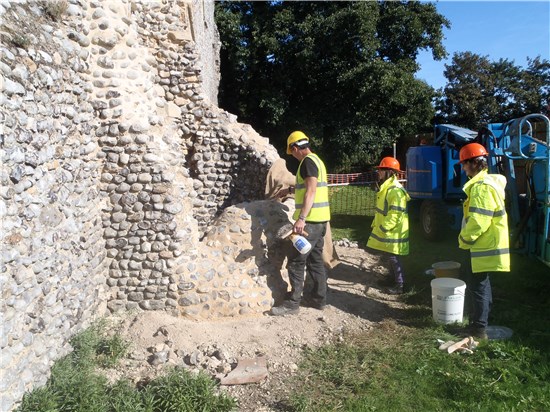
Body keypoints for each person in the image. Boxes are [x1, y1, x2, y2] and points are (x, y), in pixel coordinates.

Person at [271, 131, 331, 316]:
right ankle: (318, 299)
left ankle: (292, 304)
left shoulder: (307, 162)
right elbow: (306, 185)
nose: (294, 156)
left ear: (295, 148)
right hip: (320, 221)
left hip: (310, 223)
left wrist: (301, 219)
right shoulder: (317, 160)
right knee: (315, 262)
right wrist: (289, 189)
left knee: (296, 262)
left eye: (293, 152)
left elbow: (311, 191)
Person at [458, 143, 510, 339]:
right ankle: (480, 323)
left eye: (464, 164)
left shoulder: (481, 188)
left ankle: (478, 329)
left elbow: (479, 221)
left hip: (480, 245)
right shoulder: (487, 184)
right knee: (482, 285)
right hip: (486, 244)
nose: (463, 168)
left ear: (474, 163)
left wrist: (464, 238)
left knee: (477, 287)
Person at [366, 157, 410, 295]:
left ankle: (400, 285)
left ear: (389, 172)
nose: (378, 173)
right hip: (389, 230)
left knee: (394, 258)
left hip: (394, 231)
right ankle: (392, 280)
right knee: (389, 256)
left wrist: (384, 228)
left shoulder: (395, 191)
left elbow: (395, 214)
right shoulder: (387, 188)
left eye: (381, 170)